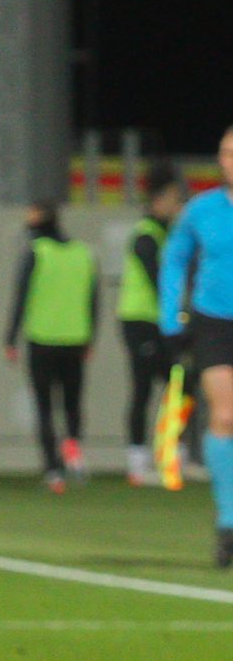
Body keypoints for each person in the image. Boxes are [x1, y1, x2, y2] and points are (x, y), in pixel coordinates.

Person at [160, 126, 233, 565]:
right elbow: (173, 260)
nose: (230, 161)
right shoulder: (201, 210)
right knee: (224, 415)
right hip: (215, 323)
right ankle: (228, 522)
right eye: (225, 152)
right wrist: (170, 317)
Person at [4, 200, 98, 492]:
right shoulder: (83, 252)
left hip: (42, 338)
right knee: (72, 403)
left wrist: (10, 338)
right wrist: (91, 336)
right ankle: (73, 454)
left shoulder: (36, 252)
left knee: (45, 406)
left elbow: (21, 296)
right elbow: (93, 299)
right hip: (75, 338)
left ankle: (53, 470)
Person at [119, 172, 187, 485]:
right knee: (143, 387)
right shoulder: (145, 235)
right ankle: (137, 462)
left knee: (179, 386)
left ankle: (172, 455)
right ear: (158, 201)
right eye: (174, 198)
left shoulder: (167, 235)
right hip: (140, 321)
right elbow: (158, 279)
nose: (178, 205)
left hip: (161, 321)